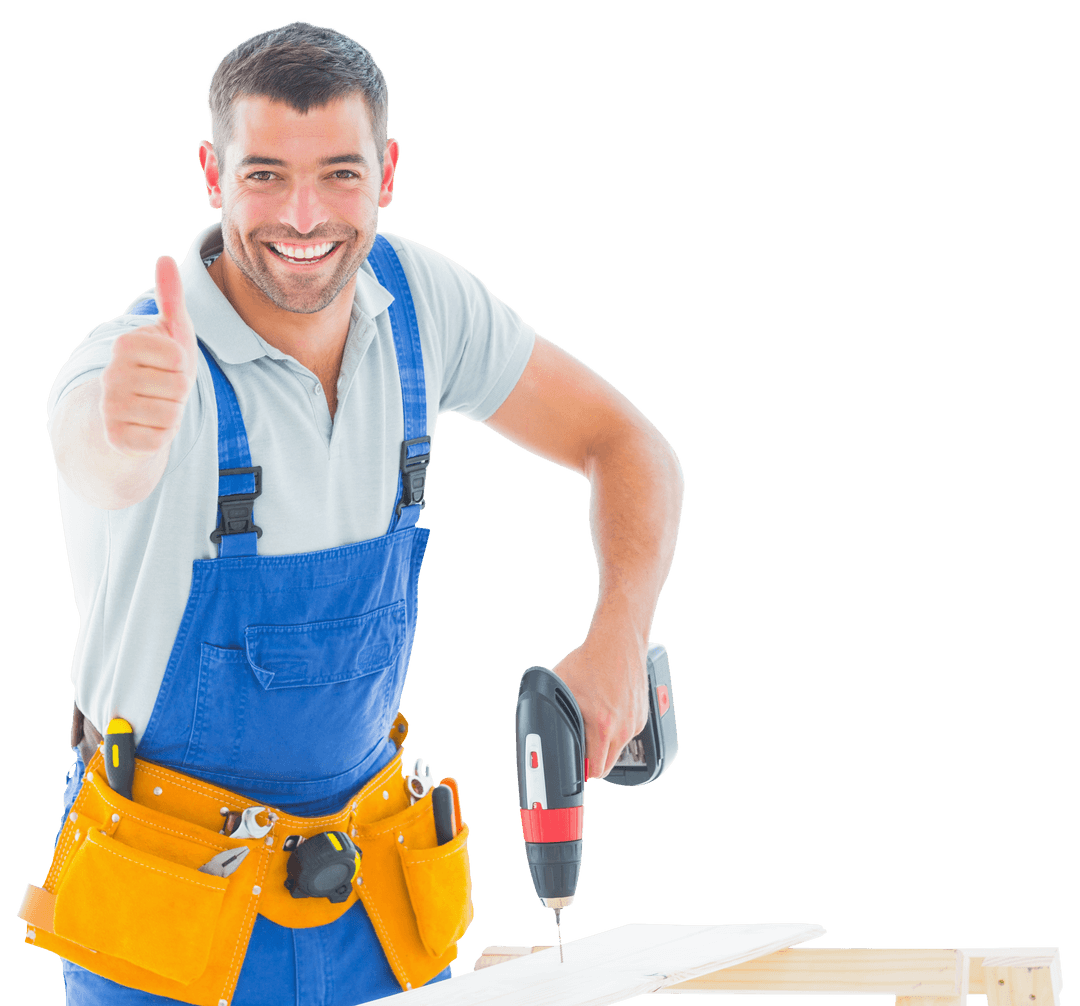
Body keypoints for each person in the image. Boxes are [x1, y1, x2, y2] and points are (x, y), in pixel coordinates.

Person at [38, 20, 683, 1006]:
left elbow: (630, 446)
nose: (303, 216)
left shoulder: (421, 306)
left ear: (386, 172)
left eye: (338, 173)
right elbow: (96, 449)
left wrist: (620, 634)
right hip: (165, 906)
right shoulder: (142, 365)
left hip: (365, 896)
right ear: (212, 174)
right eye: (264, 175)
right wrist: (123, 426)